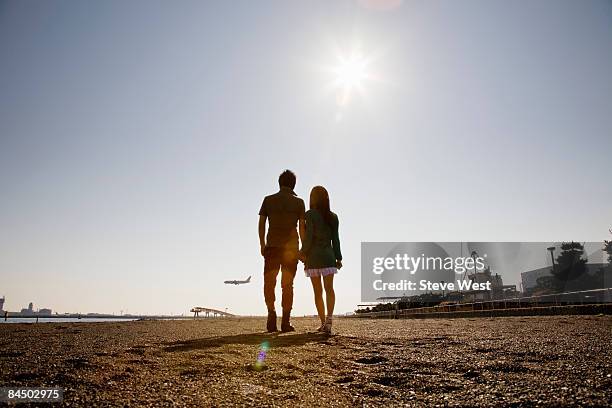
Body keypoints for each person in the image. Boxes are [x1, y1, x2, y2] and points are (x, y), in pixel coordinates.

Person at [258, 170, 305, 332]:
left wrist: (262, 243)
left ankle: (271, 315)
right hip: (291, 250)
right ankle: (285, 322)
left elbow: (262, 223)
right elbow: (302, 228)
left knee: (269, 283)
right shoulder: (299, 202)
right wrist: (303, 249)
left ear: (279, 183)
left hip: (272, 247)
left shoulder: (268, 200)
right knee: (288, 285)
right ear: (293, 184)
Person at [299, 186, 342, 335]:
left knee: (318, 292)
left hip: (314, 258)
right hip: (329, 256)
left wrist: (302, 252)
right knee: (329, 289)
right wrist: (339, 257)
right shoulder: (333, 217)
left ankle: (323, 322)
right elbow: (336, 239)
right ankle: (329, 321)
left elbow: (309, 235)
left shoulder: (309, 214)